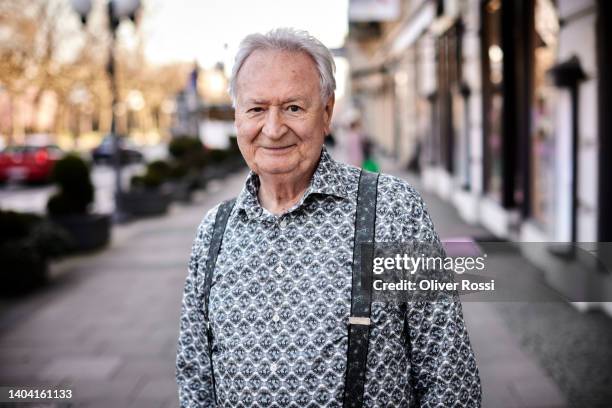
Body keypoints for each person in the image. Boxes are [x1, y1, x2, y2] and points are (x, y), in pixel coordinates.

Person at [176, 27, 481, 407]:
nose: (273, 129)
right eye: (256, 108)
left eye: (293, 107)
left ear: (327, 112)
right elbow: (195, 376)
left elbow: (448, 374)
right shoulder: (213, 232)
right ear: (238, 117)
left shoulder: (393, 210)